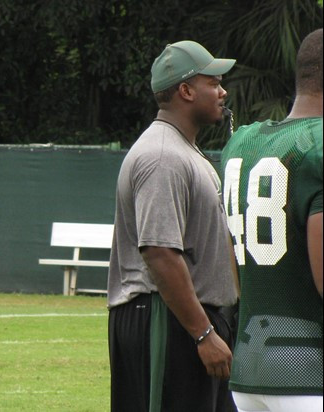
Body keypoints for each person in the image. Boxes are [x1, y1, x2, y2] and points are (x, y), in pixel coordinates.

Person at [107, 40, 239, 412]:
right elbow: (160, 252)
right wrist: (203, 333)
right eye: (213, 82)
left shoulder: (183, 150)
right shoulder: (162, 156)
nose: (222, 91)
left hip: (186, 319)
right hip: (165, 320)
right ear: (185, 90)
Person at [220, 28, 323, 412]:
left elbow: (235, 273)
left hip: (250, 367)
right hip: (311, 373)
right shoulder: (317, 146)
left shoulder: (242, 143)